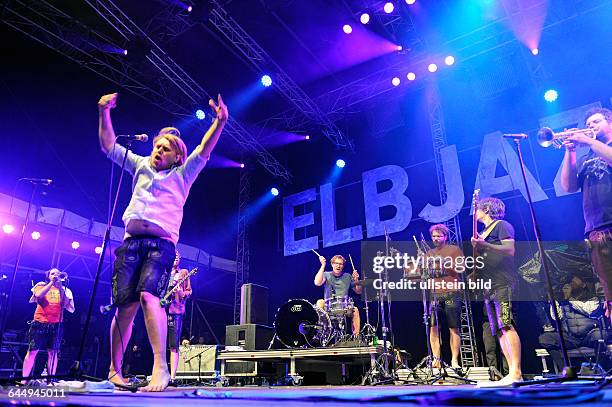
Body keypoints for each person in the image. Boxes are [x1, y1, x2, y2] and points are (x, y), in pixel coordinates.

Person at [97, 92, 228, 391]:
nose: (158, 150)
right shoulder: (140, 165)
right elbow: (108, 146)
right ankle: (114, 371)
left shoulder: (184, 174)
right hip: (131, 243)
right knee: (125, 307)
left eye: (165, 148)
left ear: (177, 156)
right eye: (156, 146)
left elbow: (204, 149)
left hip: (160, 245)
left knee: (148, 297)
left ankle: (161, 368)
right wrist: (104, 111)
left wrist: (219, 123)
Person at [559, 107, 612, 324]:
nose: (591, 126)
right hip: (596, 230)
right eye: (589, 123)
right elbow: (568, 186)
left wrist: (589, 141)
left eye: (596, 121)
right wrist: (570, 151)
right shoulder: (585, 159)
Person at [470, 197, 522, 386]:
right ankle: (511, 372)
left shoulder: (501, 225)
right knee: (498, 330)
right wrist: (474, 273)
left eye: (477, 209)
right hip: (488, 286)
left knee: (506, 324)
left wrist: (484, 245)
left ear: (486, 209)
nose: (475, 213)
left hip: (502, 283)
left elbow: (509, 250)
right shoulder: (482, 232)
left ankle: (516, 371)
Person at [538, 276, 607, 371]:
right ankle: (566, 369)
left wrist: (570, 298)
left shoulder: (592, 297)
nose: (570, 283)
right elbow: (556, 318)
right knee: (545, 339)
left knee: (600, 335)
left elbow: (590, 311)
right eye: (570, 281)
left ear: (583, 285)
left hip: (589, 335)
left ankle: (600, 369)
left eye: (574, 280)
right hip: (571, 338)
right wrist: (554, 301)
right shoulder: (563, 300)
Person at [422, 224, 464, 369]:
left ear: (445, 236)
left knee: (453, 328)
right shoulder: (429, 253)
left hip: (451, 292)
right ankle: (436, 360)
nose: (435, 239)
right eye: (433, 236)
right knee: (433, 328)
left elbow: (461, 268)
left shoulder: (454, 250)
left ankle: (454, 360)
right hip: (434, 294)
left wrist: (444, 264)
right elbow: (423, 273)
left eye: (438, 236)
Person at [22, 269, 75, 382]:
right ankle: (23, 380)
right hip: (39, 323)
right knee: (32, 351)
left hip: (56, 325)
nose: (55, 275)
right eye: (52, 273)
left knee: (53, 353)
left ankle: (50, 380)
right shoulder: (41, 285)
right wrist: (51, 283)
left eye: (57, 273)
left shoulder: (65, 290)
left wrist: (60, 286)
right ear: (48, 276)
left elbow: (65, 304)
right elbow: (38, 295)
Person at [314, 255, 362, 336]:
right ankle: (324, 333)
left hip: (344, 307)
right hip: (329, 306)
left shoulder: (347, 276)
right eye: (336, 263)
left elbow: (359, 291)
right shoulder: (326, 274)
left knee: (355, 310)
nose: (338, 265)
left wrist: (357, 280)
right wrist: (323, 265)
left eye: (341, 264)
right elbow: (317, 283)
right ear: (332, 264)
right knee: (319, 302)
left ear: (343, 266)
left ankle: (356, 338)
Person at [167, 252, 192, 386]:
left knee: (173, 345)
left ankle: (172, 378)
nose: (176, 257)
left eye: (178, 256)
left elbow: (189, 291)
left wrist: (182, 293)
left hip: (175, 311)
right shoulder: (163, 273)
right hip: (159, 311)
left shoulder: (183, 273)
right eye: (174, 255)